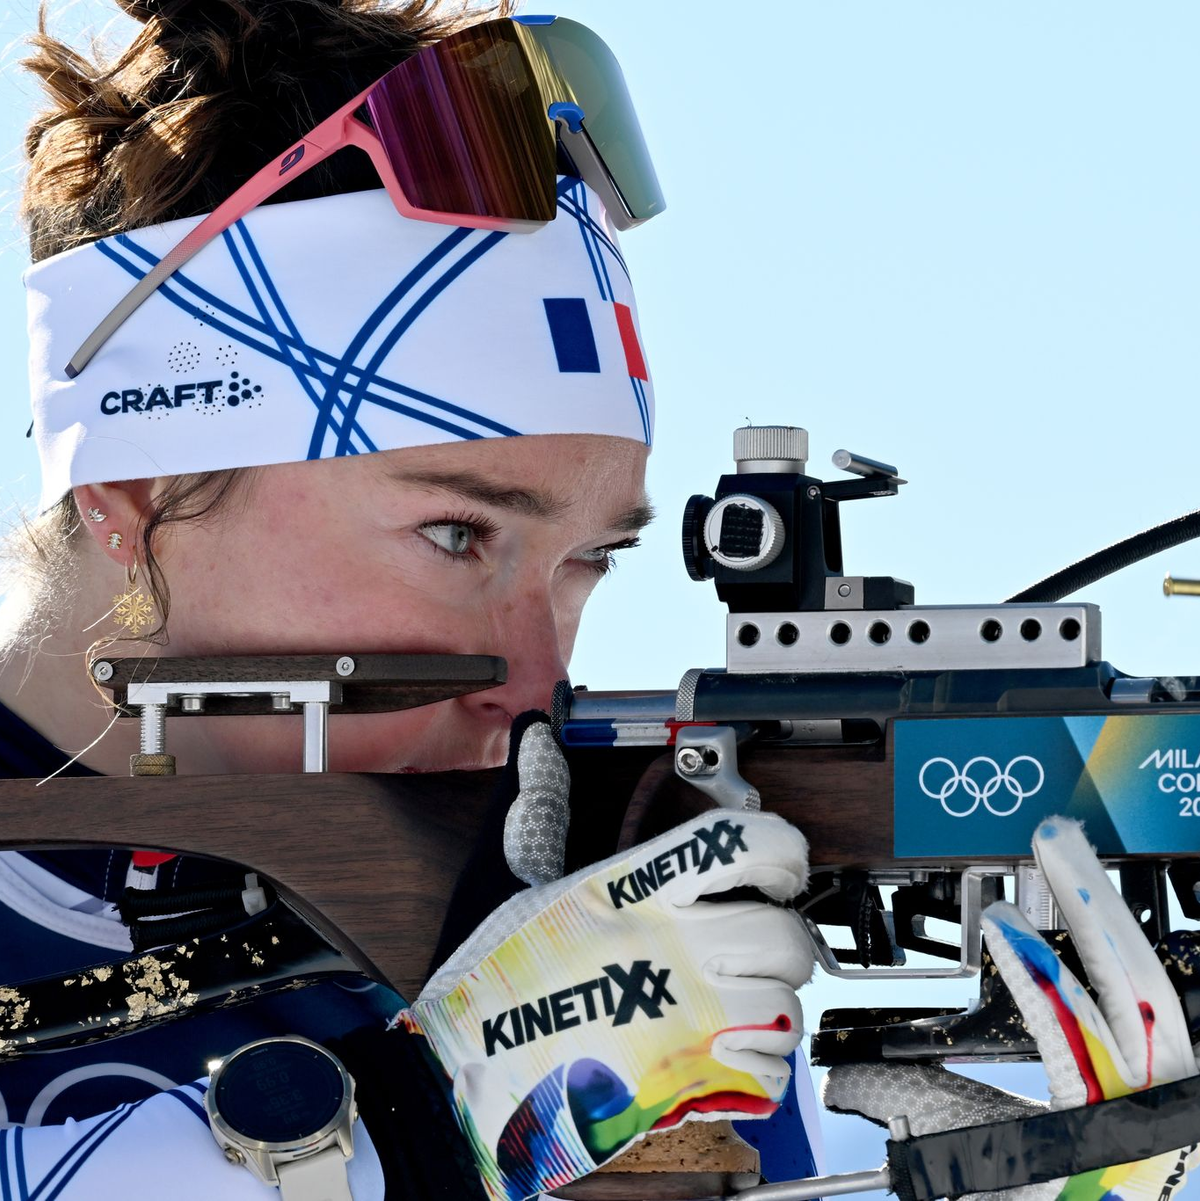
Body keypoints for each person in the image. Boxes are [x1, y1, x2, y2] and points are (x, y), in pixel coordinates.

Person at [0, 2, 815, 1197]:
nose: (535, 684)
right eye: (455, 532)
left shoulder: (579, 927)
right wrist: (434, 1121)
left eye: (590, 558)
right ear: (141, 493)